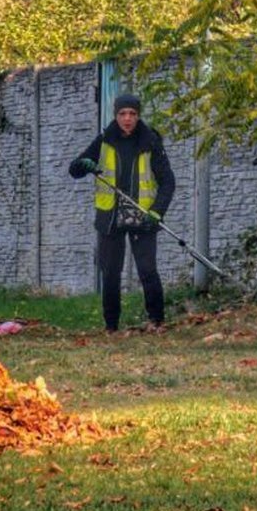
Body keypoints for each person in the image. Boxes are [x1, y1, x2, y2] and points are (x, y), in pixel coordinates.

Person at [69, 93, 176, 333]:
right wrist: (83, 165)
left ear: (138, 116)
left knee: (147, 270)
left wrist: (157, 212)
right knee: (110, 273)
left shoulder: (151, 141)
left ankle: (157, 321)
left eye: (132, 114)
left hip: (143, 216)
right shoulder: (105, 139)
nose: (127, 119)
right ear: (116, 115)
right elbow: (74, 169)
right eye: (122, 114)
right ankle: (111, 326)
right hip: (110, 218)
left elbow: (168, 181)